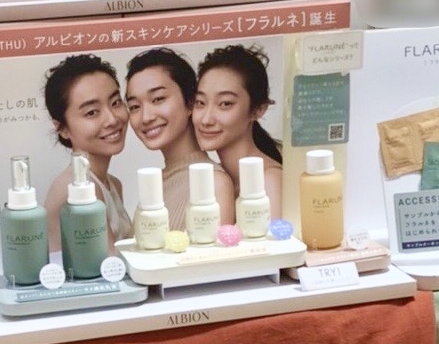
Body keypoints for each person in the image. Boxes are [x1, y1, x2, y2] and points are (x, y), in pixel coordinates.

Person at [125, 48, 235, 231]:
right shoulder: (157, 183)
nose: (145, 117)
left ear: (190, 102)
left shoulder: (213, 182)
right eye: (135, 106)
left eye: (158, 99)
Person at [43, 54, 133, 253]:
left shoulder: (112, 184)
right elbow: (112, 265)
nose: (112, 119)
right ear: (62, 128)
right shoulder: (75, 188)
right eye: (92, 112)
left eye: (115, 102)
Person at [193, 44, 283, 218]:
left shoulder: (269, 180)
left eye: (225, 103)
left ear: (258, 110)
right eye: (200, 103)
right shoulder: (218, 179)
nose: (206, 119)